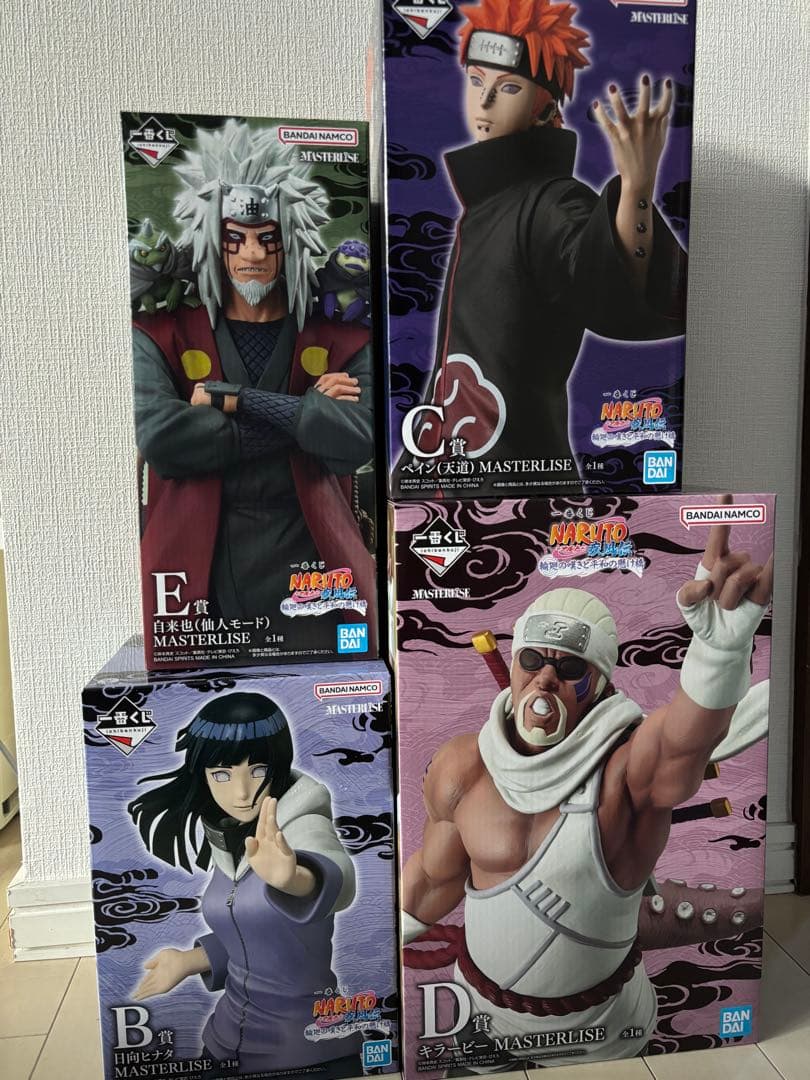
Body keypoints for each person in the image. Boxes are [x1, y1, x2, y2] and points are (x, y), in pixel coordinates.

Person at [402, 516, 772, 1067]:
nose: (545, 680)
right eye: (533, 660)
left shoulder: (625, 772)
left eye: (570, 667)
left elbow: (681, 742)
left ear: (599, 686)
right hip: (476, 1017)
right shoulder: (463, 767)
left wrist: (717, 655)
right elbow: (434, 879)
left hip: (604, 1030)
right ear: (514, 664)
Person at [401, 0, 687, 485]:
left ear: (545, 107)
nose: (485, 103)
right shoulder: (488, 201)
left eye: (509, 87)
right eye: (476, 81)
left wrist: (636, 189)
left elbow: (602, 284)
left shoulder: (551, 200)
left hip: (517, 482)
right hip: (453, 473)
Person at [132, 120, 375, 655]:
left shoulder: (342, 333)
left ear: (292, 240)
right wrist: (305, 415)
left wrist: (237, 400)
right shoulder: (160, 329)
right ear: (210, 239)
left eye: (268, 239)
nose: (253, 255)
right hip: (198, 565)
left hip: (317, 562)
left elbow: (357, 441)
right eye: (235, 239)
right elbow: (163, 440)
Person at [128, 691, 362, 1077]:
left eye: (257, 770)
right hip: (224, 1037)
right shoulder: (230, 837)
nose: (241, 792)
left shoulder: (300, 826)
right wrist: (188, 961)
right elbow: (252, 937)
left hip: (304, 1045)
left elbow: (339, 880)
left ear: (278, 765)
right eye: (221, 774)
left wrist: (296, 878)